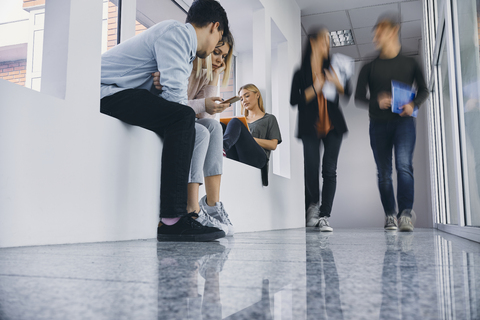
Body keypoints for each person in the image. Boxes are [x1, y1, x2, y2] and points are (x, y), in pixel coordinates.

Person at [99, 0, 230, 242]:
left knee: (193, 126)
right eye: (219, 39)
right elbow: (176, 103)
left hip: (121, 93)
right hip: (105, 92)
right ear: (215, 27)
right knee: (183, 116)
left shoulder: (182, 42)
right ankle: (173, 218)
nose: (215, 48)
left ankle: (185, 213)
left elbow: (170, 99)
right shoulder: (178, 34)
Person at [152, 33, 236, 236]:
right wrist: (202, 104)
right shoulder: (183, 64)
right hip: (166, 117)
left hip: (183, 120)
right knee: (199, 130)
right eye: (216, 52)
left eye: (224, 56)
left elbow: (206, 116)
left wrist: (214, 79)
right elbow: (174, 105)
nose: (219, 60)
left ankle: (212, 205)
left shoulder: (204, 74)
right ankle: (192, 208)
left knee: (214, 128)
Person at [355, 12, 429, 232]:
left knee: (404, 166)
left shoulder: (410, 62)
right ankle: (390, 216)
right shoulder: (368, 66)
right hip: (378, 125)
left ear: (394, 31)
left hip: (404, 124)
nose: (376, 36)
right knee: (384, 173)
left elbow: (424, 90)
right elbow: (359, 97)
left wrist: (413, 105)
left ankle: (405, 214)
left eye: (381, 31)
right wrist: (376, 100)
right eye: (375, 33)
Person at [290, 27, 354, 232]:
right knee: (311, 167)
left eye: (329, 41)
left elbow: (347, 93)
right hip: (310, 126)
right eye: (325, 40)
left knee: (329, 169)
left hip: (333, 126)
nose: (328, 45)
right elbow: (294, 100)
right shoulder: (300, 73)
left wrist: (336, 82)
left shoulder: (334, 67)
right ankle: (313, 208)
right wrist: (314, 88)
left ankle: (325, 215)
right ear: (313, 42)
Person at [222, 84, 282, 186]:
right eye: (241, 99)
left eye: (247, 96)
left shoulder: (269, 118)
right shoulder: (241, 122)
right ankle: (219, 150)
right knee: (221, 125)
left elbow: (273, 145)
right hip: (240, 156)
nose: (244, 101)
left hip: (259, 159)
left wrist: (250, 139)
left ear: (257, 95)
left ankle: (222, 148)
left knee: (234, 122)